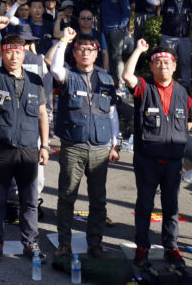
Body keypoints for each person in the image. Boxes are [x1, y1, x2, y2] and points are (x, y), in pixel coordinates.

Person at [0, 17, 49, 265]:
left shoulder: (35, 81)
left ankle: (30, 242)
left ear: (24, 54)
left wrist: (46, 145)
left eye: (17, 53)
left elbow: (42, 114)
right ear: (4, 54)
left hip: (29, 150)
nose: (13, 57)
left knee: (29, 202)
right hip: (2, 150)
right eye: (8, 53)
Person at [121, 40, 192, 270]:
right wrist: (139, 51)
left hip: (173, 161)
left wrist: (174, 134)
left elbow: (190, 121)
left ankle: (171, 247)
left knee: (171, 207)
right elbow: (126, 75)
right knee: (144, 204)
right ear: (151, 67)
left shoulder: (183, 92)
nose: (163, 66)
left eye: (167, 62)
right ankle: (142, 246)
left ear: (174, 67)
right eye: (158, 62)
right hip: (147, 160)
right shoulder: (144, 87)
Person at [49, 28, 121, 259]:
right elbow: (54, 68)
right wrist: (63, 42)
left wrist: (115, 144)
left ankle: (95, 243)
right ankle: (64, 243)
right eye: (81, 49)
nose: (86, 53)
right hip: (73, 146)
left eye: (90, 50)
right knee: (67, 196)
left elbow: (112, 113)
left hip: (100, 147)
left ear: (96, 53)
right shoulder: (67, 75)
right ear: (75, 52)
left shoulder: (107, 78)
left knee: (98, 200)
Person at [146, 0, 192, 90]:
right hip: (168, 37)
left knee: (185, 62)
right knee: (166, 62)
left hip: (184, 38)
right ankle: (165, 83)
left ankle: (186, 85)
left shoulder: (189, 1)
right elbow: (150, 0)